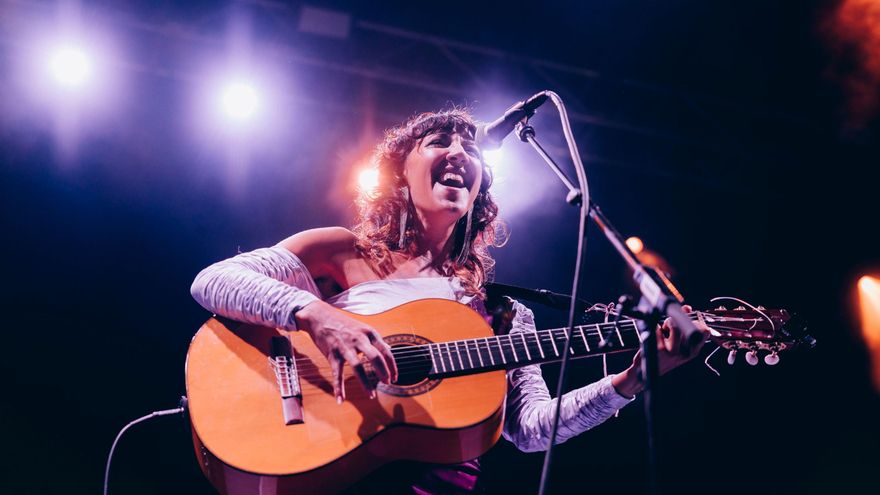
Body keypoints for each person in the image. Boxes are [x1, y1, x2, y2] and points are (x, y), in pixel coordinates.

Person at [190, 108, 706, 493]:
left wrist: (632, 380)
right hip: (331, 461)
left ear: (479, 191)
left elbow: (530, 429)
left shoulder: (501, 314)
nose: (460, 153)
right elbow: (214, 280)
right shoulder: (340, 252)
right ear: (400, 172)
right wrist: (318, 315)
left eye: (472, 150)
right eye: (439, 142)